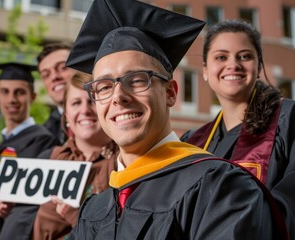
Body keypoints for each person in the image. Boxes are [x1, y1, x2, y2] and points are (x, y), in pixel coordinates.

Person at [64, 0, 286, 239]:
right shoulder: (94, 210)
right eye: (104, 86)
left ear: (170, 93)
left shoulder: (220, 187)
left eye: (138, 79)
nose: (118, 97)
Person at [182, 19, 295, 238]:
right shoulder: (192, 142)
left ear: (259, 66)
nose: (233, 64)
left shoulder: (289, 119)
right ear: (205, 70)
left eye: (244, 56)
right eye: (221, 57)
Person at [32, 72, 118, 239]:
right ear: (66, 115)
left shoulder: (125, 160)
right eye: (76, 103)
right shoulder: (50, 158)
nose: (85, 110)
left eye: (92, 101)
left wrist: (77, 215)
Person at [0, 62, 59, 240]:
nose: (11, 100)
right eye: (4, 91)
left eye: (19, 92)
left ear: (32, 96)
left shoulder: (43, 140)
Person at [38, 43, 76, 144]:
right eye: (46, 75)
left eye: (62, 68)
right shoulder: (44, 135)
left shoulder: (107, 115)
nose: (54, 77)